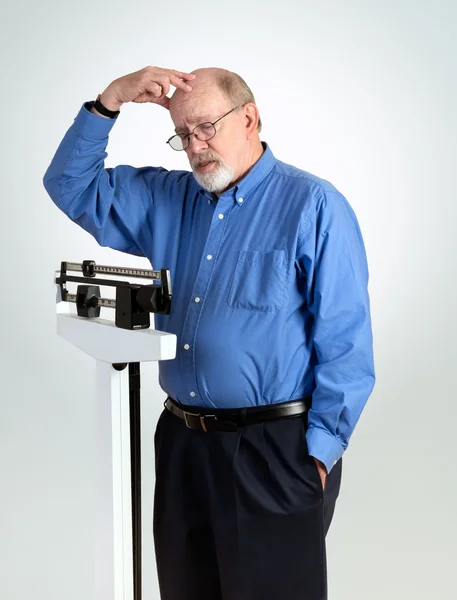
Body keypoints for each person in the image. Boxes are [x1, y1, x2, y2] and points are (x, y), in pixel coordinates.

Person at [43, 65, 376, 600]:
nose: (195, 146)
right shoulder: (165, 198)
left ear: (250, 118)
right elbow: (68, 184)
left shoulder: (314, 206)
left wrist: (317, 457)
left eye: (206, 127)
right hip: (182, 446)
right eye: (183, 134)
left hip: (274, 452)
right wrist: (110, 101)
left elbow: (346, 345)